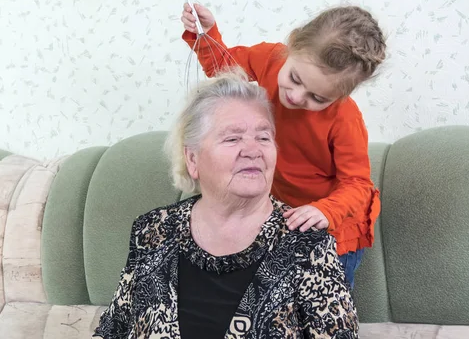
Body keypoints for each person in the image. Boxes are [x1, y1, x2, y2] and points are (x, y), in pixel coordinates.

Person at [93, 70, 358, 338]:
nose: (253, 150)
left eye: (264, 137)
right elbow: (113, 330)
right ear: (193, 160)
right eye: (233, 138)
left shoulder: (307, 244)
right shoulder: (151, 232)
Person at [180, 2, 387, 289]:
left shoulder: (344, 118)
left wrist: (324, 211)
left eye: (318, 98)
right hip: (282, 220)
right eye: (295, 79)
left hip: (332, 231)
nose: (298, 96)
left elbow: (358, 185)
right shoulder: (270, 58)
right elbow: (222, 66)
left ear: (340, 95)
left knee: (323, 304)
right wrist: (207, 32)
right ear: (291, 47)